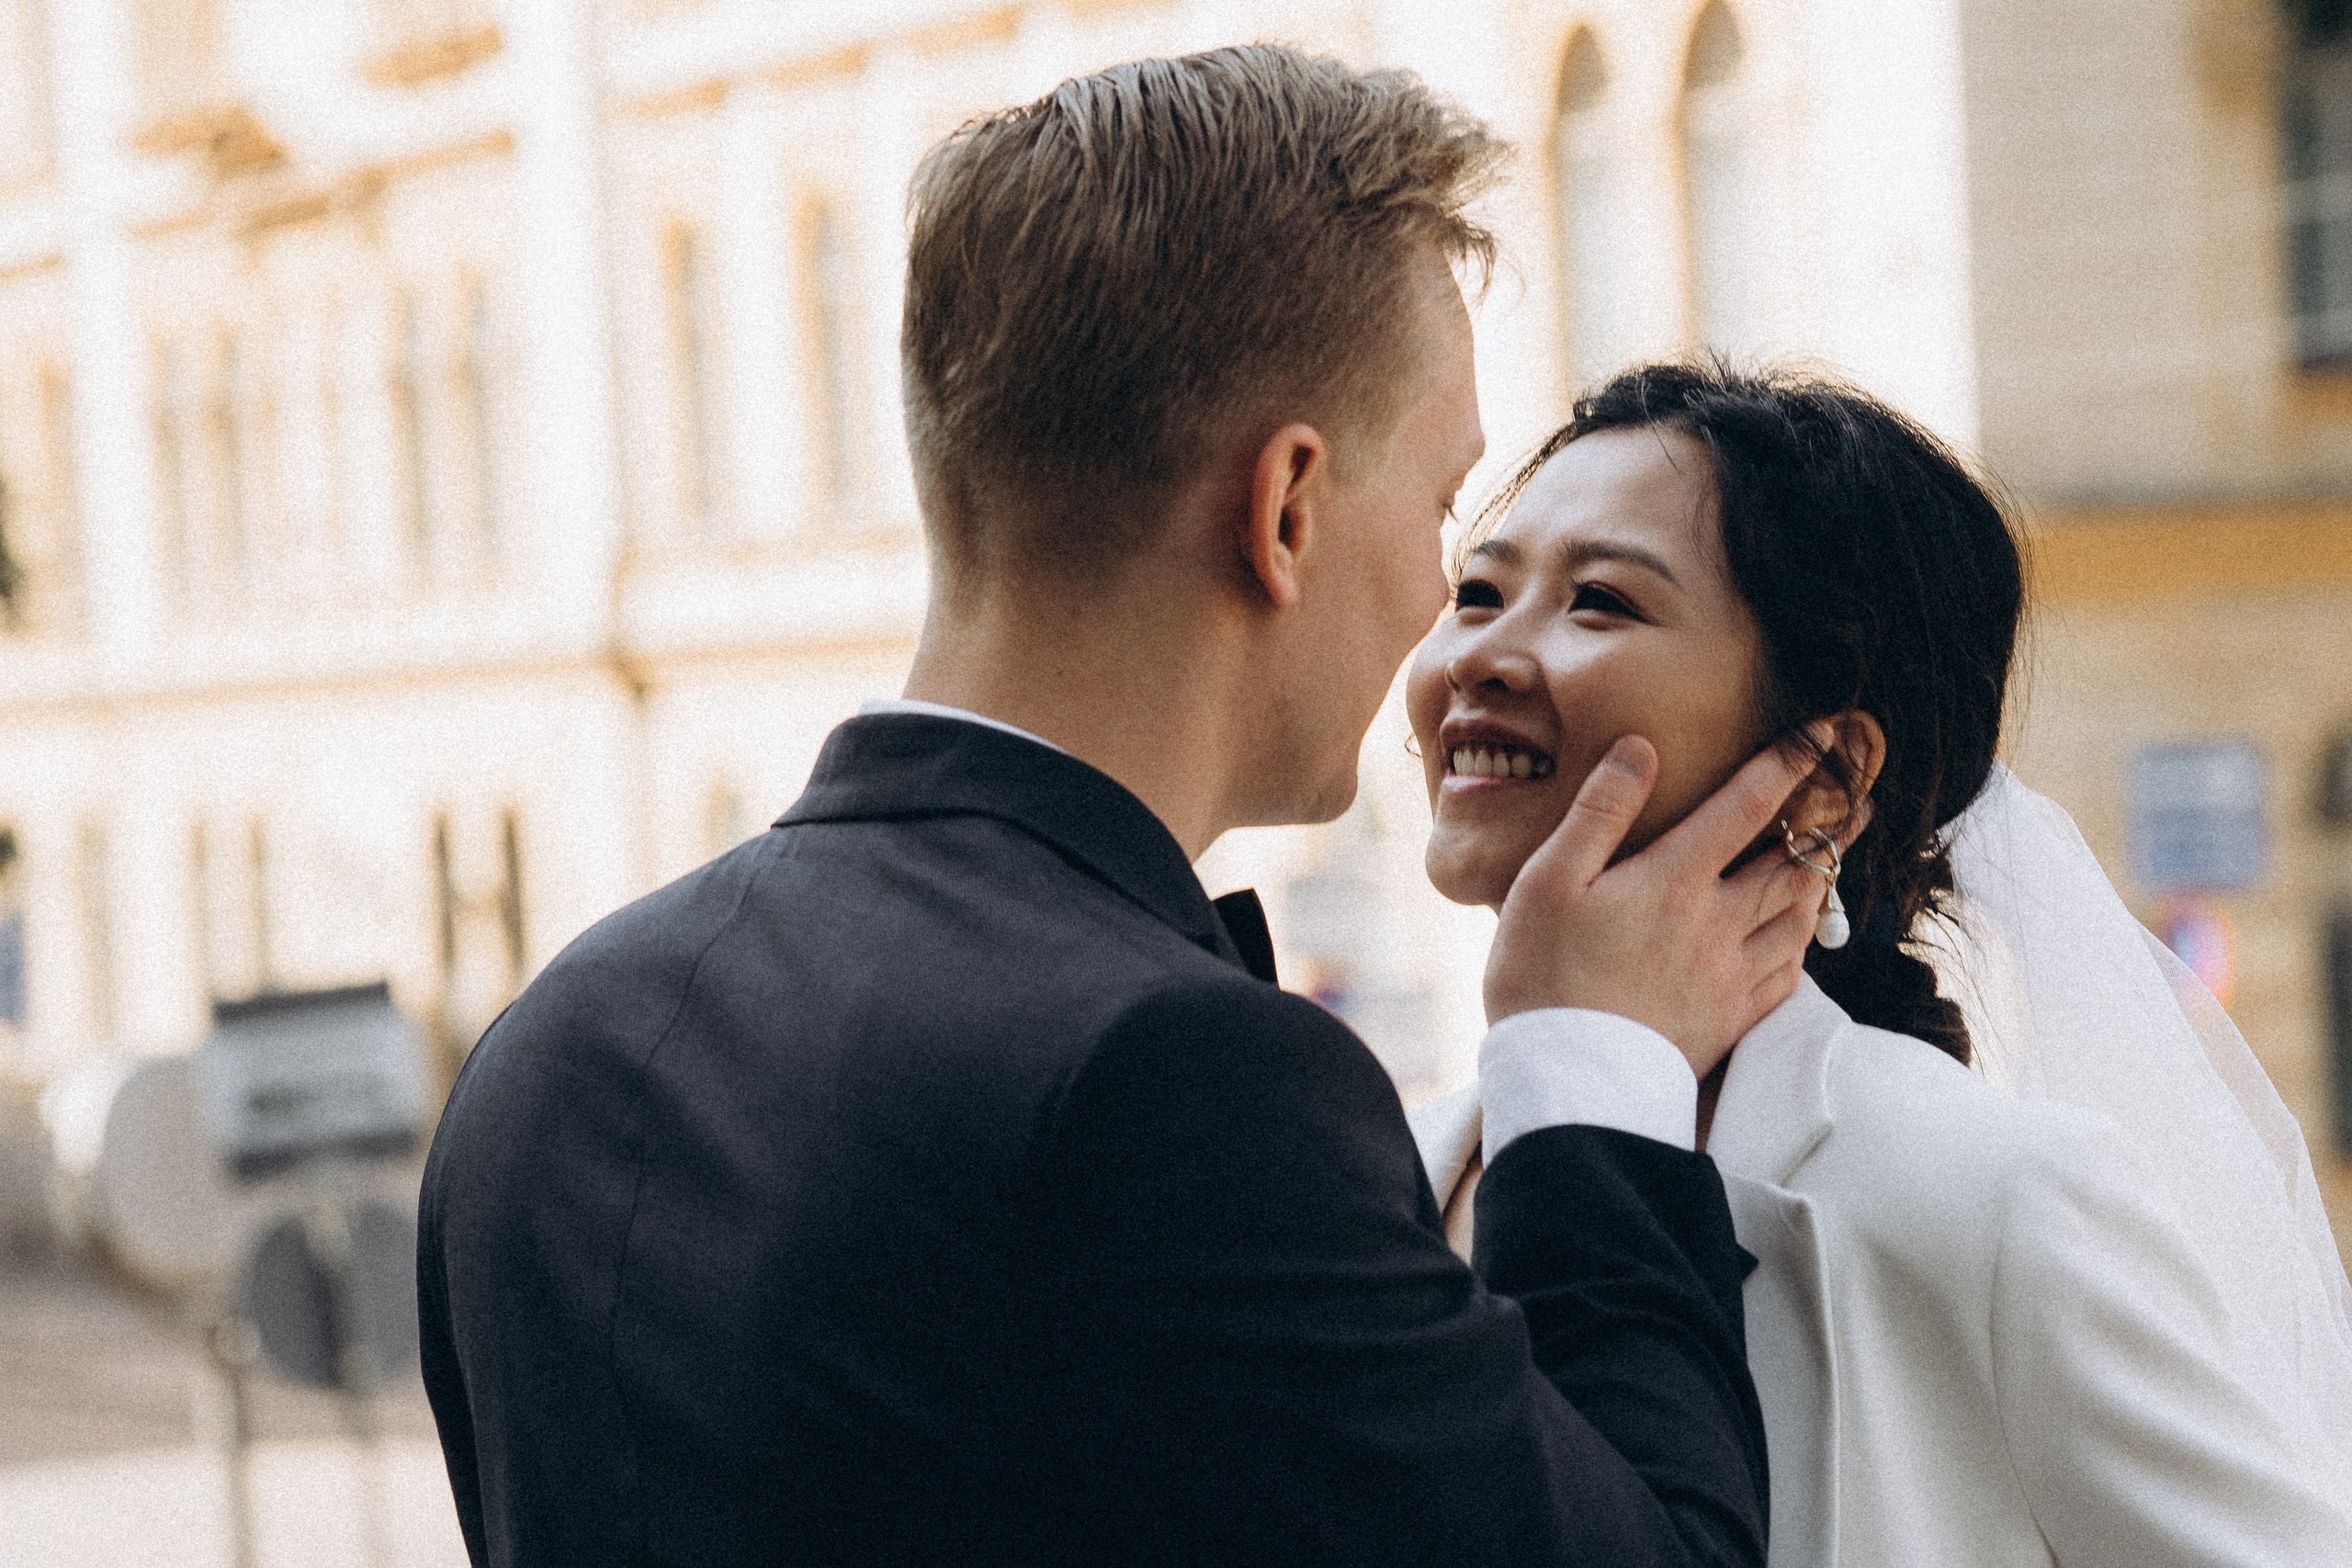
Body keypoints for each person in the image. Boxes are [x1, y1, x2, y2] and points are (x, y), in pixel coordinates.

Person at [416, 50, 1834, 1566]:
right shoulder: (1178, 1090)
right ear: (1286, 509)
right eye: (1438, 507)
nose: (1444, 600)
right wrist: (1591, 1064)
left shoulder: (547, 1046)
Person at [1406, 361, 2352, 1566]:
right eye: (1478, 592)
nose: (1481, 656)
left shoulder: (1993, 1203)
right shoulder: (1383, 1165)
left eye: (1600, 603)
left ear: (1831, 774)